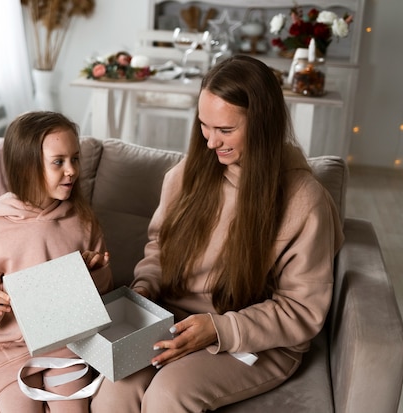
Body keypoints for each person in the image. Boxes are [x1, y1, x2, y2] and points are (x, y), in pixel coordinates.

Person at [90, 55, 344, 412]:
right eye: (204, 126)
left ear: (263, 124)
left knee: (167, 397)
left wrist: (219, 329)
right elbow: (160, 251)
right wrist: (142, 295)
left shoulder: (305, 201)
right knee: (113, 393)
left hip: (255, 340)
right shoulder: (184, 176)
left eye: (225, 130)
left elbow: (301, 309)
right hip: (172, 318)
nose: (210, 142)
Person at [0, 111, 113, 413]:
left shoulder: (82, 220)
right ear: (27, 167)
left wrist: (96, 273)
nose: (71, 171)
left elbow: (103, 294)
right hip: (9, 348)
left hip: (68, 344)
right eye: (58, 162)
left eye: (75, 159)